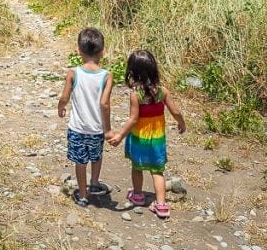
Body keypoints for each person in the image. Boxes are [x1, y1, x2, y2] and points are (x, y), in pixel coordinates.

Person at [106, 49, 187, 219]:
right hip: (157, 139)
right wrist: (181, 123)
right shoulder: (163, 91)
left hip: (139, 138)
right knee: (157, 171)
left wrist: (120, 135)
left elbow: (133, 119)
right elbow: (176, 111)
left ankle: (137, 195)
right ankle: (162, 205)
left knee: (137, 166)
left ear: (132, 72)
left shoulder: (136, 95)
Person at [58, 27, 114, 206]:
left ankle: (83, 195)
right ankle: (95, 182)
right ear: (103, 52)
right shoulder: (107, 76)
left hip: (78, 129)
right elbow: (105, 105)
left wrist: (61, 107)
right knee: (96, 156)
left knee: (80, 162)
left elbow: (64, 97)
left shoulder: (73, 73)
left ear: (78, 50)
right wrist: (108, 129)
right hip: (97, 129)